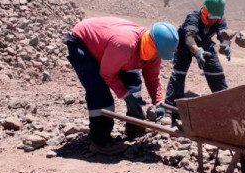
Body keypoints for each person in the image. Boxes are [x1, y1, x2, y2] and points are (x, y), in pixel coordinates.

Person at [64, 17, 178, 155]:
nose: (157, 58)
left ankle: (135, 126)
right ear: (151, 45)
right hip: (84, 43)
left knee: (134, 86)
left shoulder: (154, 52)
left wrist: (158, 101)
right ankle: (100, 141)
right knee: (99, 93)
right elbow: (107, 74)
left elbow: (152, 78)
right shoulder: (124, 45)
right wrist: (124, 95)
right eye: (157, 54)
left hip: (110, 48)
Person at [164, 0, 231, 114]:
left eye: (217, 18)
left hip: (205, 44)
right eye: (211, 17)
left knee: (216, 72)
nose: (214, 20)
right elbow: (189, 38)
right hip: (185, 45)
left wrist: (226, 44)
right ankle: (170, 110)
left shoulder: (219, 18)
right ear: (204, 11)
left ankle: (226, 106)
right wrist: (197, 50)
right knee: (179, 73)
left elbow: (223, 34)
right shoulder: (193, 17)